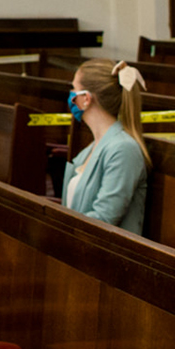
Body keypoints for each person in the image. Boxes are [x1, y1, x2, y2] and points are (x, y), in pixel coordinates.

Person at [61, 59, 151, 234]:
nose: (71, 94)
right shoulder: (92, 147)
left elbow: (104, 218)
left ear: (86, 98)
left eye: (74, 89)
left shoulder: (124, 149)